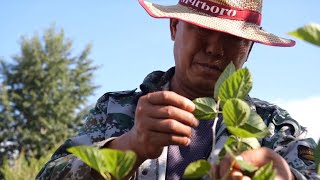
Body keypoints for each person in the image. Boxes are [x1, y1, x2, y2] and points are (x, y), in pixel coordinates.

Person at [37, 0, 319, 179]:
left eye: (233, 38)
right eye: (201, 29)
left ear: (250, 48)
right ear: (174, 27)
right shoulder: (117, 110)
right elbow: (49, 175)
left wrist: (282, 174)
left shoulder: (273, 126)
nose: (215, 48)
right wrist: (129, 146)